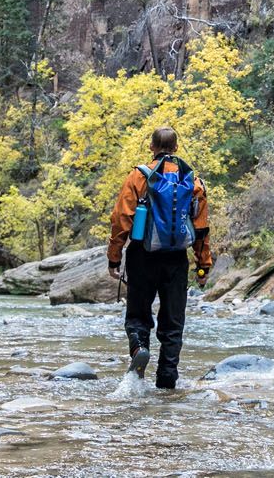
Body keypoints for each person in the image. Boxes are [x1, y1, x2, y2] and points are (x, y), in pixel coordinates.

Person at [107, 126, 211, 389]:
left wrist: (114, 258)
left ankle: (140, 347)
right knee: (173, 322)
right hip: (176, 258)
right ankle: (167, 382)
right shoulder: (192, 181)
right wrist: (203, 265)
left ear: (151, 148)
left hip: (142, 255)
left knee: (138, 315)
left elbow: (121, 220)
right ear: (176, 149)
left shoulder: (138, 177)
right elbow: (200, 228)